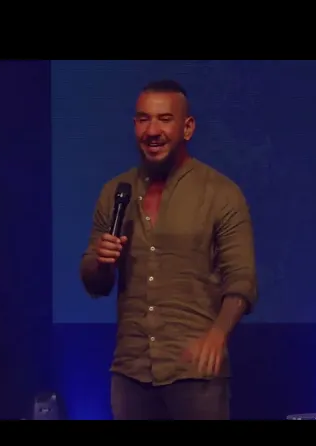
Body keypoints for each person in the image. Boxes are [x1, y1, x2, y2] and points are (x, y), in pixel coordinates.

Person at [80, 79, 258, 420]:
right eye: (144, 119)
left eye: (164, 119)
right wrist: (101, 262)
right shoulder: (115, 192)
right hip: (130, 373)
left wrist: (218, 335)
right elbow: (95, 282)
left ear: (187, 128)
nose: (152, 131)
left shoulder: (221, 193)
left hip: (195, 373)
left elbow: (242, 279)